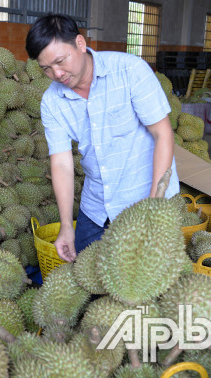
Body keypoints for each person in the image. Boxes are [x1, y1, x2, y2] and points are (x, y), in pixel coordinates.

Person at [25, 14, 179, 262]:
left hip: (145, 199)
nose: (57, 73)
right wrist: (66, 225)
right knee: (91, 287)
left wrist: (155, 208)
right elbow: (62, 163)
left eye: (61, 61)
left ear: (80, 44)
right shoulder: (52, 101)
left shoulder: (130, 71)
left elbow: (163, 134)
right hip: (97, 207)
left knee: (145, 291)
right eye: (46, 69)